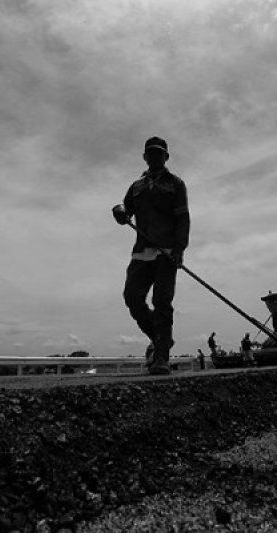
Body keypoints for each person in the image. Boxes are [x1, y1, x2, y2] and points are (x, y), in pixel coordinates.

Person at [112, 136, 190, 375]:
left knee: (162, 301)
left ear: (166, 157)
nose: (155, 157)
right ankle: (160, 339)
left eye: (160, 153)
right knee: (132, 297)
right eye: (151, 153)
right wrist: (120, 211)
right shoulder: (136, 186)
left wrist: (179, 250)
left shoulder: (176, 184)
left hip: (166, 252)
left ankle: (161, 358)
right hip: (142, 251)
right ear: (145, 157)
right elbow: (124, 208)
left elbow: (183, 219)